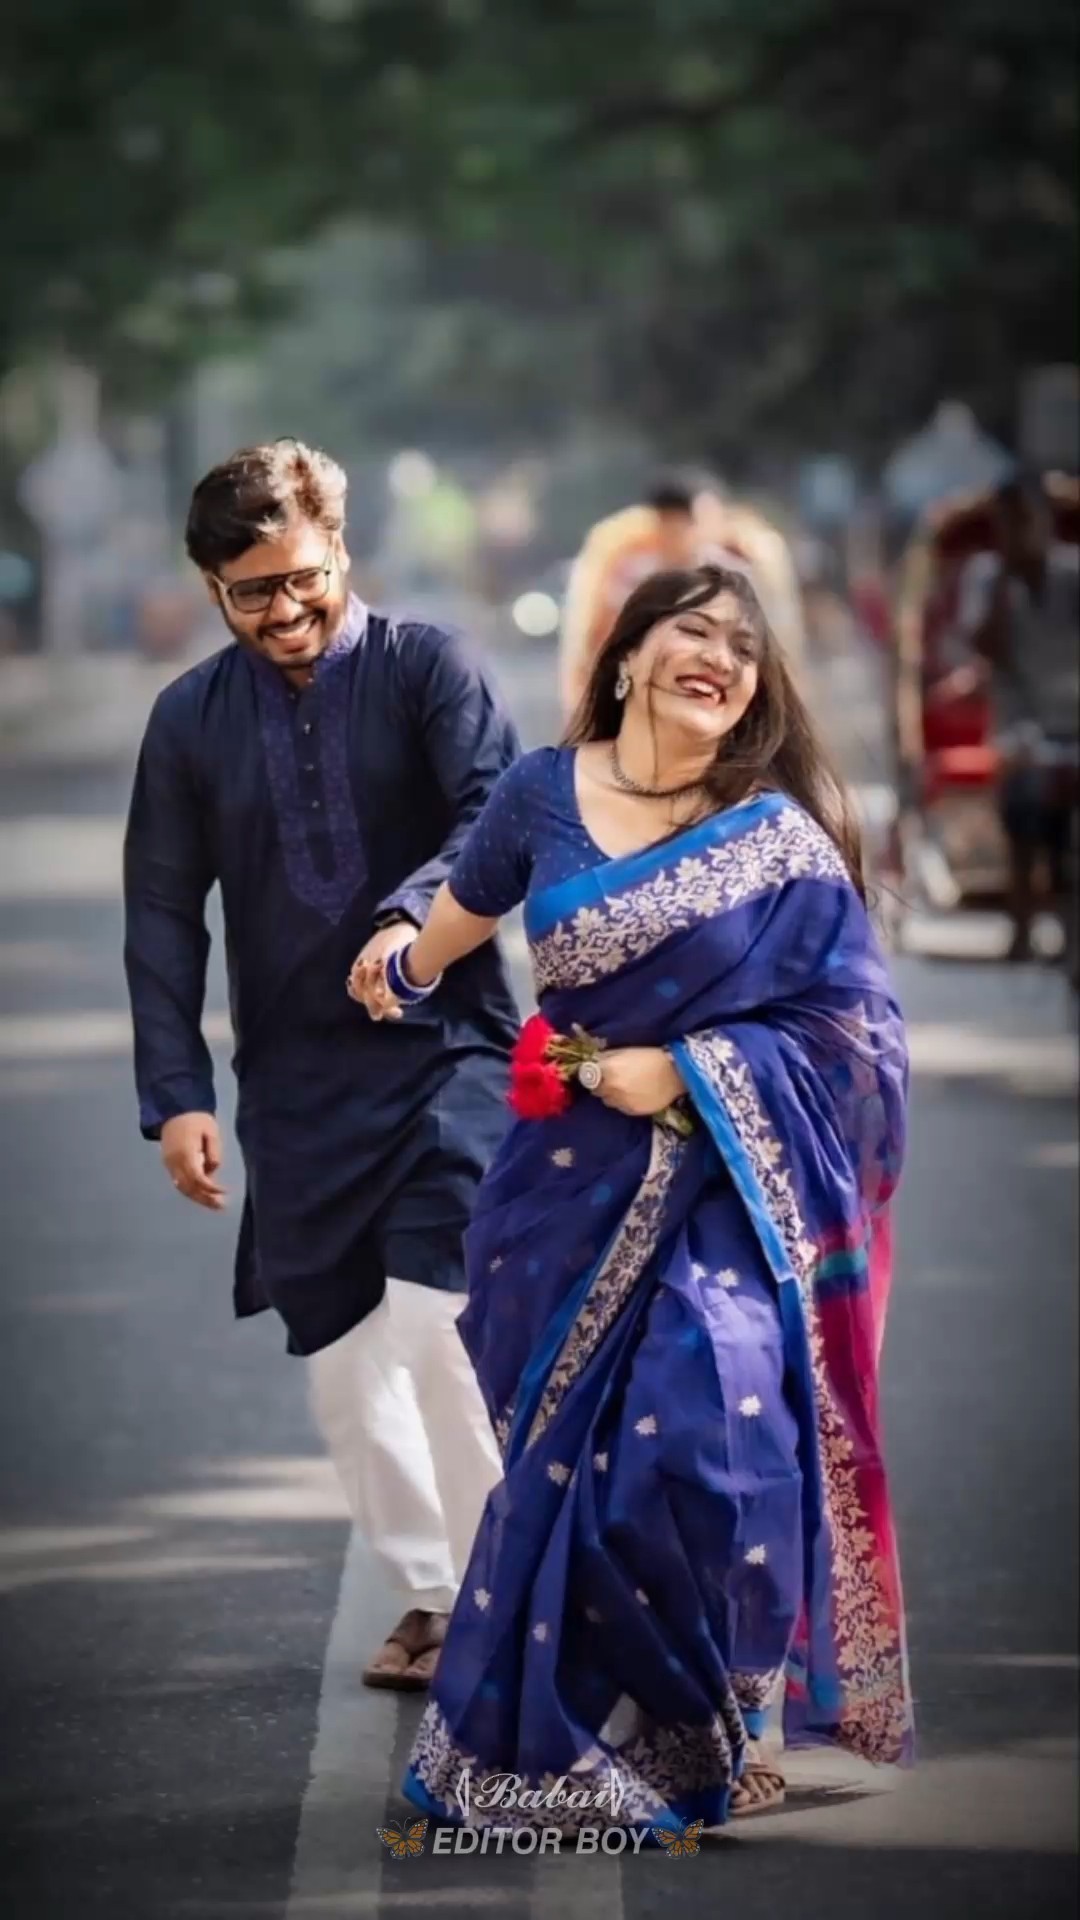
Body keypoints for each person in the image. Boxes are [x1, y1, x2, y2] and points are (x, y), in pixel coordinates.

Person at [350, 564, 913, 1834]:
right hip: (562, 1191)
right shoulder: (544, 793)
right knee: (589, 1475)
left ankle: (730, 1710)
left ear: (757, 690)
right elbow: (457, 917)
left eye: (742, 648)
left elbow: (856, 1032)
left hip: (726, 1180)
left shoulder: (775, 836)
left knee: (713, 1421)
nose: (719, 657)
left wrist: (696, 1069)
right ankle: (648, 1713)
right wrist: (399, 961)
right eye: (691, 632)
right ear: (627, 657)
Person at [124, 439, 518, 1689]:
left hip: (448, 1049)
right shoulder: (189, 721)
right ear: (214, 588)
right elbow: (162, 913)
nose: (288, 608)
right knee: (346, 1366)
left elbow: (496, 818)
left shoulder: (428, 669)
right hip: (293, 1080)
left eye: (305, 577)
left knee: (443, 1327)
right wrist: (177, 1096)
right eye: (255, 592)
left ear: (340, 549)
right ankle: (431, 1593)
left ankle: (503, 1594)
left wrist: (413, 921)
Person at [946, 476, 1080, 959]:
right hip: (1020, 723)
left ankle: (1069, 932)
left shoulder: (1072, 573)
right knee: (1022, 809)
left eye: (1027, 520)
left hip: (1073, 717)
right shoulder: (985, 576)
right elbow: (987, 646)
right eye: (1008, 523)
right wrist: (1006, 582)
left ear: (1046, 521)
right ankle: (1021, 928)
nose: (1020, 533)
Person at [559, 479, 805, 718]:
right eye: (670, 525)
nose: (678, 535)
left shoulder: (734, 577)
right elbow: (606, 636)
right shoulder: (633, 577)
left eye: (687, 524)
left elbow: (765, 640)